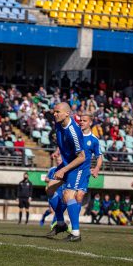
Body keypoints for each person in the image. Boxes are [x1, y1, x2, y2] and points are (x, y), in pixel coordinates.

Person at [45, 102, 90, 242]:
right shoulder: (58, 122)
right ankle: (60, 223)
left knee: (67, 195)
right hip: (66, 162)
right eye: (54, 112)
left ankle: (76, 233)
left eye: (57, 112)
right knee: (49, 189)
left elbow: (82, 157)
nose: (55, 114)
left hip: (77, 165)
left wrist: (64, 169)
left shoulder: (74, 132)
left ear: (67, 114)